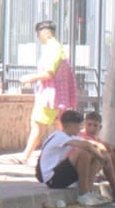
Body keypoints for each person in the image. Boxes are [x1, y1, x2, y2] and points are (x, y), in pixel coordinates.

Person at [17, 20, 78, 166]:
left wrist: (30, 78)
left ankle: (25, 157)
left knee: (38, 124)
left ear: (45, 33)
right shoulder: (58, 48)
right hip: (57, 95)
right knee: (60, 125)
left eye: (38, 34)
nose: (38, 37)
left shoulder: (53, 49)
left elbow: (49, 73)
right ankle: (71, 155)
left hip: (50, 96)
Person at [36, 108, 115, 206]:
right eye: (79, 126)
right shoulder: (59, 136)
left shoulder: (72, 136)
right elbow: (86, 145)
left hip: (61, 174)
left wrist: (102, 153)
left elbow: (92, 144)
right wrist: (101, 158)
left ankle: (90, 191)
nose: (80, 129)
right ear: (72, 126)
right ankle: (83, 194)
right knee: (83, 152)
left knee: (93, 154)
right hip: (52, 179)